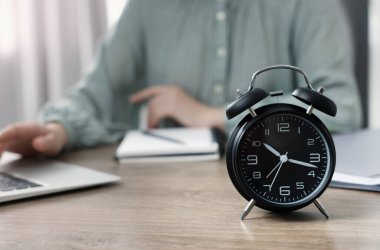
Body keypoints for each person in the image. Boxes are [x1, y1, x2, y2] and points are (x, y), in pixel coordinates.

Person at [0, 0, 362, 157]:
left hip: (276, 192)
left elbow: (341, 110)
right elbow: (97, 93)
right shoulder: (147, 6)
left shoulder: (311, 5)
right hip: (162, 200)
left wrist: (209, 114)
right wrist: (60, 131)